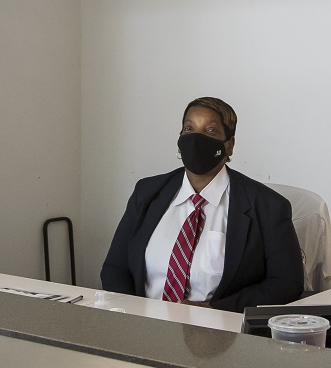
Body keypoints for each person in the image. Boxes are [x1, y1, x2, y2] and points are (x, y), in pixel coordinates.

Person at [100, 97, 303, 313]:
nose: (196, 139)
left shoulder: (268, 206)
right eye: (189, 128)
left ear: (229, 145)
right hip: (143, 327)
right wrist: (132, 315)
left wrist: (212, 311)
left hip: (219, 335)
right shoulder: (147, 193)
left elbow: (286, 283)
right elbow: (115, 268)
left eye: (211, 130)